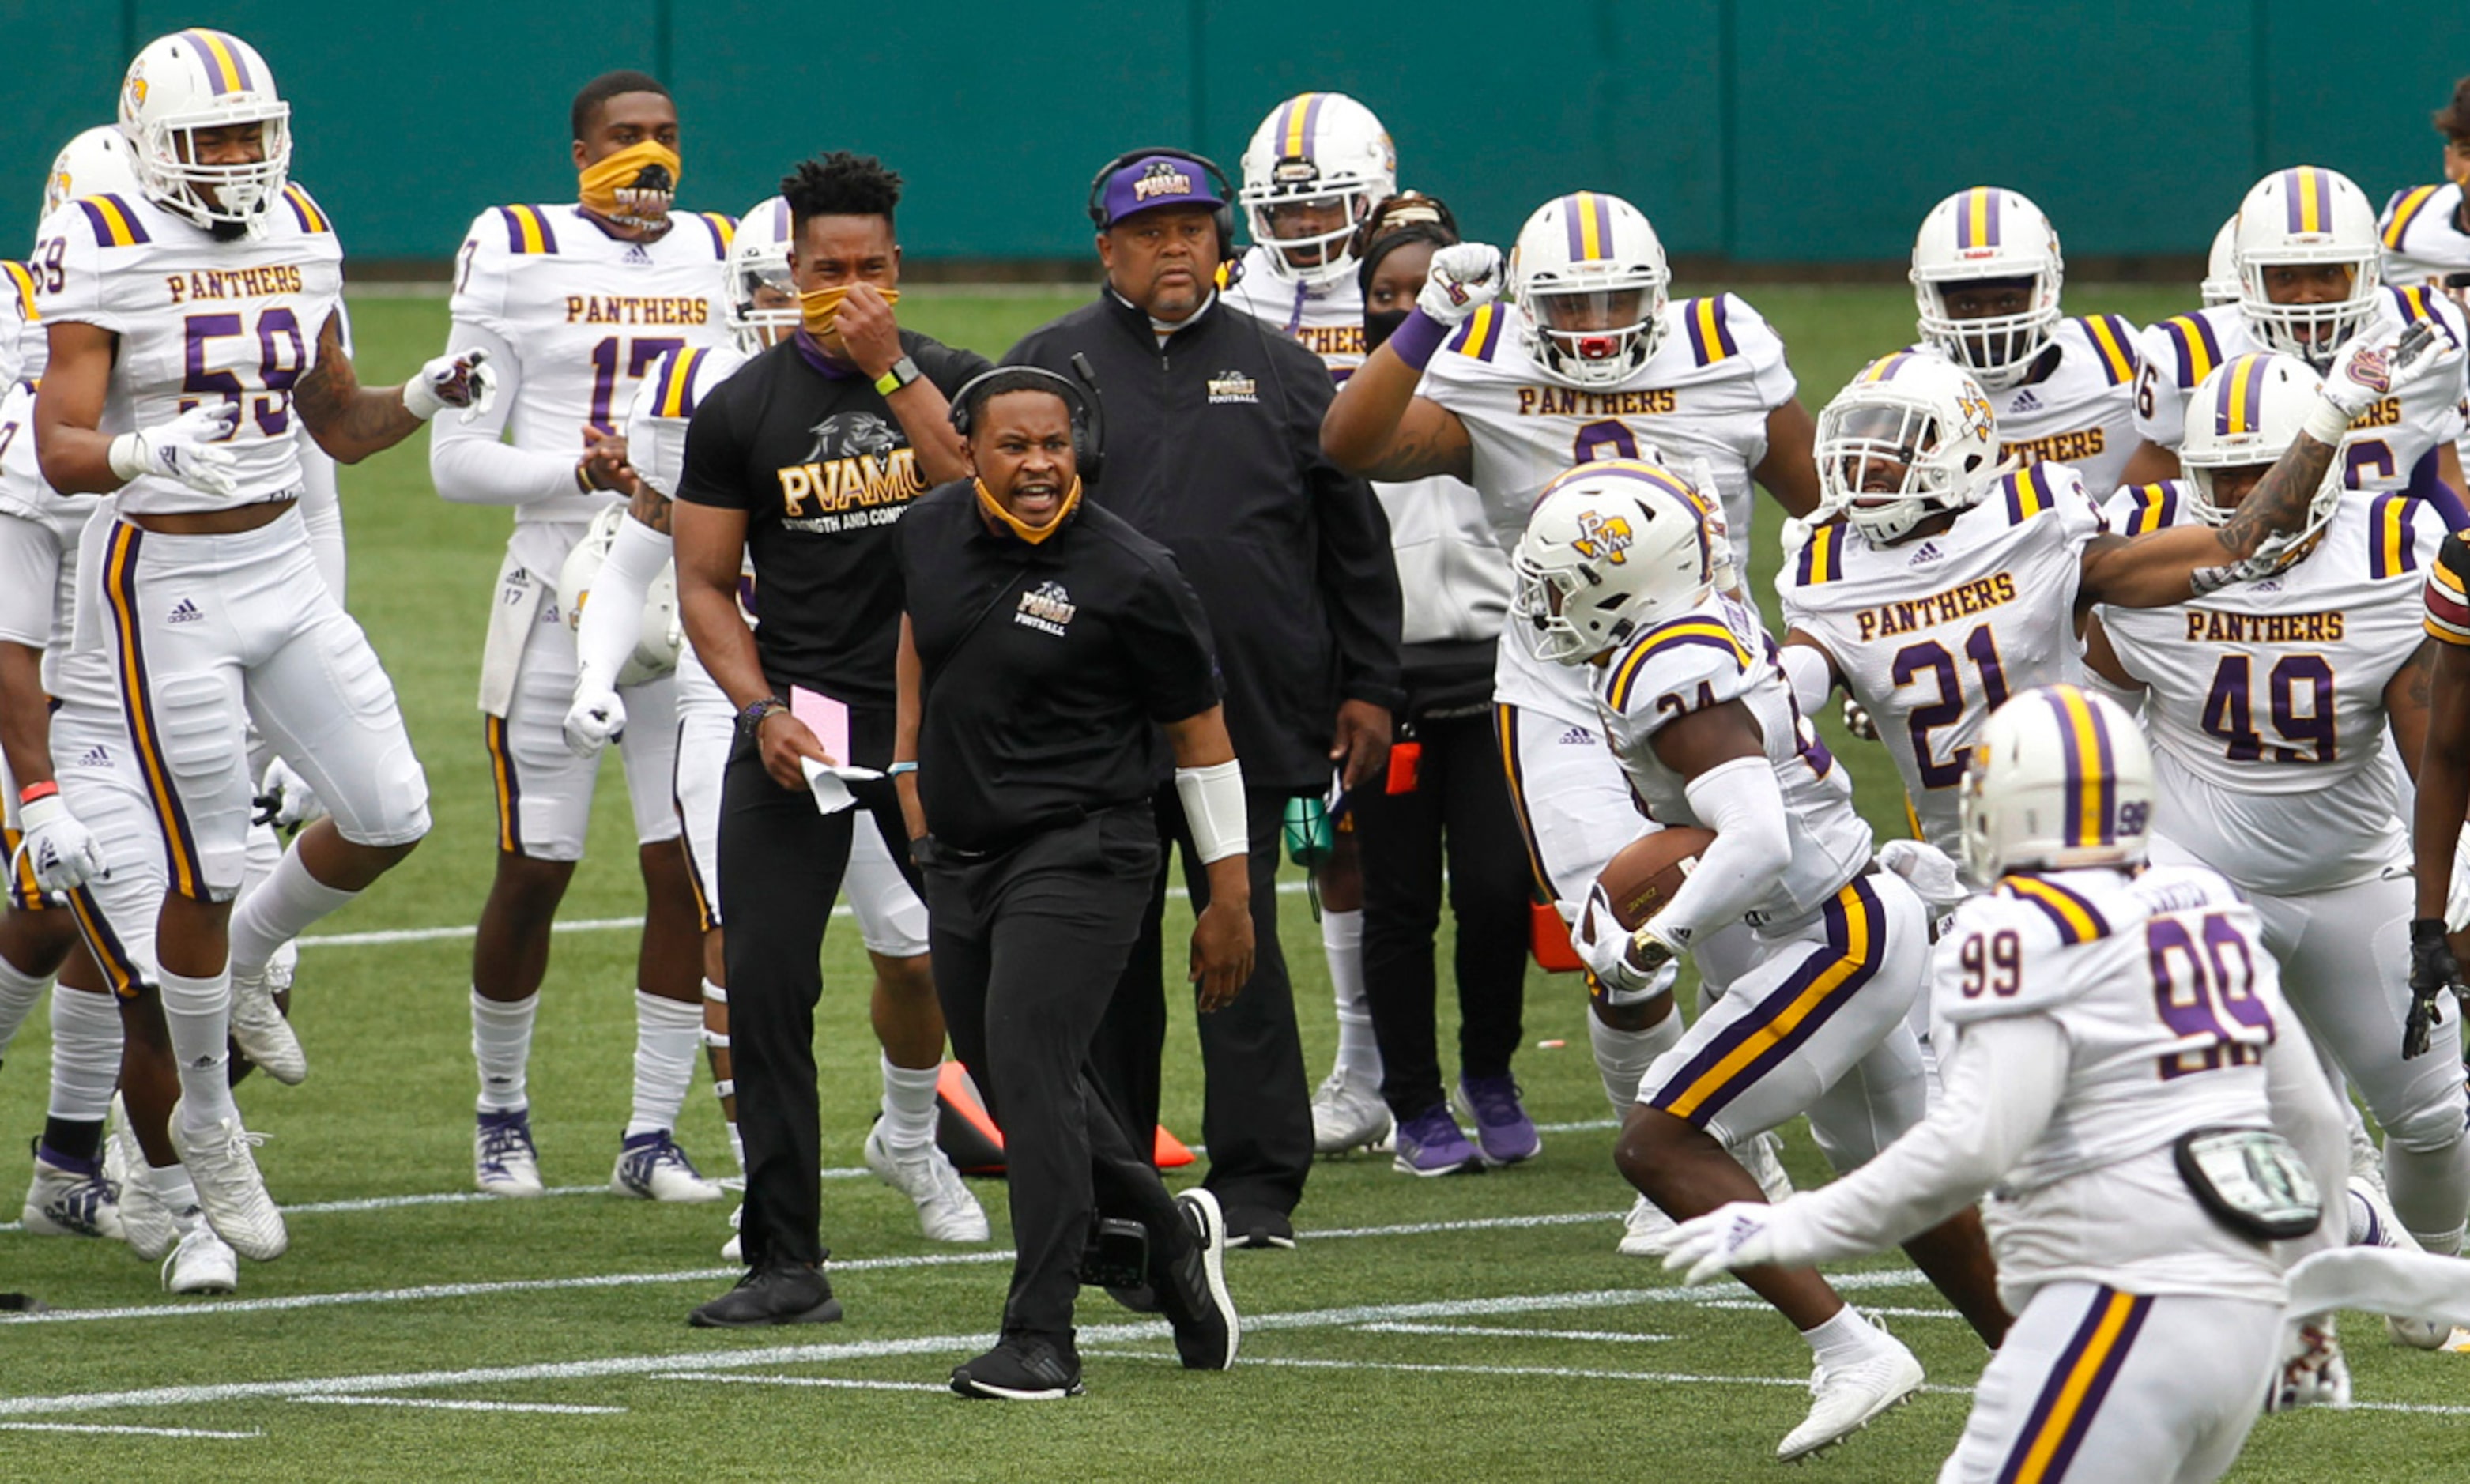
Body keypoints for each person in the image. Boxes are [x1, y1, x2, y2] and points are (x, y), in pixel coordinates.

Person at [32, 28, 490, 1263]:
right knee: (198, 868)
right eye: (212, 139)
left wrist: (428, 393)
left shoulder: (299, 222)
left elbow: (336, 423)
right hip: (162, 577)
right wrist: (141, 454)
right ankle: (204, 1111)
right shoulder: (106, 240)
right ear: (148, 144)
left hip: (279, 562)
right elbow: (58, 445)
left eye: (251, 135)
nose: (237, 160)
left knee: (391, 810)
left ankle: (243, 964)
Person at [1661, 684, 2350, 1482]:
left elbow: (1970, 1147)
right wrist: (2307, 1306)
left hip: (2116, 1302)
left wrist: (1791, 1227)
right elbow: (2312, 1123)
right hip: (2240, 1314)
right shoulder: (2201, 905)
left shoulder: (2016, 927)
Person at [1322, 191, 1814, 1249]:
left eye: (1615, 298)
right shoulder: (1485, 346)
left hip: (1710, 671)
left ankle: (1727, 1124)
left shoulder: (1724, 344)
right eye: (1568, 301)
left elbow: (1812, 490)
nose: (1592, 322)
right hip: (1563, 684)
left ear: (1659, 291)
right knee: (1619, 935)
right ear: (1527, 304)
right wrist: (1425, 320)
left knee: (1755, 936)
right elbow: (1351, 443)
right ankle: (1676, 1145)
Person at [1515, 460, 2008, 1462]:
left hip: (1835, 930)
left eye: (1560, 579)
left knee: (1658, 1140)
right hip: (1843, 915)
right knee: (1905, 1183)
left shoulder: (1666, 670)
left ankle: (1849, 1349)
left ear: (1625, 579)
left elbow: (1754, 839)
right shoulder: (1685, 627)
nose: (1543, 601)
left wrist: (1658, 936)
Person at [571, 187, 986, 1252]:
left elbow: (981, 495)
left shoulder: (943, 369)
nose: (842, 297)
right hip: (768, 702)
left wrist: (895, 368)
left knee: (916, 950)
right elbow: (670, 563)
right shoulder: (725, 396)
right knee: (750, 955)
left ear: (898, 266)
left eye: (869, 272)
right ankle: (770, 1188)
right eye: (810, 275)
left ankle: (907, 1136)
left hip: (910, 710)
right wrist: (719, 695)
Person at [1005, 149, 1404, 1250]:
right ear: (1107, 249)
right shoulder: (1047, 368)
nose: (1173, 246)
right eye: (1148, 231)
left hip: (1254, 719)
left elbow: (1351, 546)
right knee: (1110, 953)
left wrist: (1369, 685)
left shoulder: (1283, 370)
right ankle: (1117, 1174)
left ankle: (1259, 1185)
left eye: (1191, 227)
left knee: (1245, 945)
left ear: (1222, 240)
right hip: (1091, 725)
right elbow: (988, 531)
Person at [2083, 342, 2470, 1320]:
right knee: (2186, 1086)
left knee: (2430, 1120)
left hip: (2350, 868)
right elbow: (2093, 702)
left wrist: (2451, 884)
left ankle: (2425, 1268)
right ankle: (2327, 1224)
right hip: (2196, 863)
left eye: (2259, 472)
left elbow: (2433, 745)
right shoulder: (2146, 547)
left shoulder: (2390, 551)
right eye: (2220, 476)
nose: (2244, 493)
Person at [893, 366, 1242, 1399]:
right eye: (1015, 445)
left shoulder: (1135, 573)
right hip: (959, 856)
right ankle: (1172, 1237)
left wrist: (1228, 895)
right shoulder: (924, 529)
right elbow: (920, 640)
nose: (1039, 465)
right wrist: (910, 775)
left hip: (1084, 849)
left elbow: (1202, 736)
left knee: (1037, 1071)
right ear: (969, 449)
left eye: (1056, 444)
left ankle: (1041, 1336)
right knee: (1009, 1076)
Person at [430, 69, 735, 1201]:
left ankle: (650, 1133)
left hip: (681, 577)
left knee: (685, 867)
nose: (647, 155)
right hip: (559, 575)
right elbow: (454, 461)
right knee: (535, 865)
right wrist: (578, 466)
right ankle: (501, 1112)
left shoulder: (717, 246)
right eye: (623, 136)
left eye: (665, 133)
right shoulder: (514, 246)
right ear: (577, 151)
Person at [1779, 350, 2348, 867]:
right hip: (1959, 866)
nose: (1867, 459)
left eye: (1897, 439)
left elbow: (2238, 543)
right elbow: (1775, 702)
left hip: (2085, 846)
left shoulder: (2031, 522)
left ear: (1959, 444)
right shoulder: (1827, 568)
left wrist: (2332, 412)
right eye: (1856, 438)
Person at [1338, 194, 1534, 1174]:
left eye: (1424, 289)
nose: (1407, 304)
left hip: (1504, 673)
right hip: (1386, 687)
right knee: (1399, 901)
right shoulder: (1350, 404)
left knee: (1500, 891)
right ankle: (1412, 1102)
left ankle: (1490, 1072)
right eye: (1387, 293)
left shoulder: (1509, 391)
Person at [1221, 92, 1401, 1159]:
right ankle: (1368, 1068)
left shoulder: (1415, 282)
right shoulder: (1233, 295)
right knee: (1326, 836)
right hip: (1294, 600)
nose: (1301, 230)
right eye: (1282, 213)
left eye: (1324, 207)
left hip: (1429, 591)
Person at [2125, 166, 2470, 526]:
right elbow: (2153, 497)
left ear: (2368, 272)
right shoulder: (2187, 354)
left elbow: (2441, 473)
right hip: (2248, 546)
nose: (2307, 296)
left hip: (2384, 541)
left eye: (2329, 273)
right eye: (2285, 276)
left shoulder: (2423, 328)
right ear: (2246, 277)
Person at [1906, 186, 2143, 496]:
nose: (1989, 320)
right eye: (1967, 305)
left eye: (2007, 301)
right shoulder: (1910, 382)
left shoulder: (2114, 352)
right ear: (1932, 299)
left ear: (2046, 287)